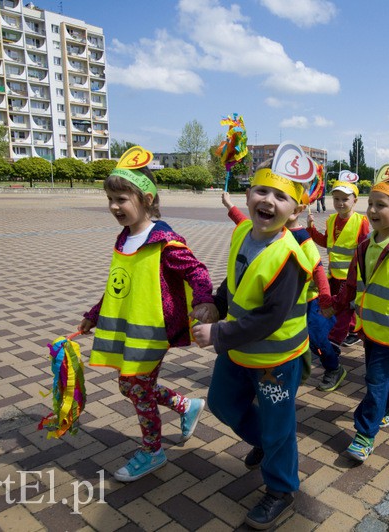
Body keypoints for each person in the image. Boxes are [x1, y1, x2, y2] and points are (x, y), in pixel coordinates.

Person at [79, 146, 216, 482]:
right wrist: (95, 314)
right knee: (131, 387)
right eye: (110, 199)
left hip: (154, 331)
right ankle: (185, 405)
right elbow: (118, 285)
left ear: (147, 199)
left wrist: (203, 301)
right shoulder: (124, 238)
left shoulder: (164, 241)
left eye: (121, 199)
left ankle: (153, 451)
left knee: (136, 387)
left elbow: (197, 271)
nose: (114, 206)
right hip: (132, 330)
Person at [193, 163, 313, 529]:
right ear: (247, 196)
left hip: (276, 359)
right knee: (222, 403)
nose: (269, 201)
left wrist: (218, 334)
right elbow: (236, 279)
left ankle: (281, 488)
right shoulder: (243, 231)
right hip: (239, 350)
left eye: (281, 196)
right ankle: (268, 444)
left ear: (295, 209)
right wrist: (217, 303)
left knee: (279, 426)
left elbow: (271, 318)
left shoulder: (288, 257)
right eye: (262, 191)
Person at [333, 178, 389, 461]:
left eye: (381, 205)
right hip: (369, 327)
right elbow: (351, 283)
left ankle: (365, 433)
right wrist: (335, 306)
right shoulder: (366, 244)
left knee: (375, 379)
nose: (372, 210)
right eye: (370, 204)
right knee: (382, 375)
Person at [222, 188, 346, 392]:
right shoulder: (271, 232)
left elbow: (318, 270)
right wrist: (229, 205)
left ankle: (334, 367)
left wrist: (325, 299)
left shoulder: (302, 237)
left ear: (297, 209)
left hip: (307, 301)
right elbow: (244, 223)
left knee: (317, 340)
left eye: (283, 199)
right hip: (283, 302)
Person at [307, 179, 371, 347]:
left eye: (345, 199)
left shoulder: (361, 221)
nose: (340, 203)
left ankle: (336, 338)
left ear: (355, 201)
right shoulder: (331, 220)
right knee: (339, 304)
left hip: (351, 275)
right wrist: (311, 229)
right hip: (334, 273)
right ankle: (351, 330)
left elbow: (364, 248)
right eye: (336, 199)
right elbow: (326, 241)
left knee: (343, 306)